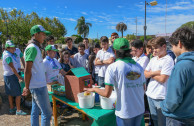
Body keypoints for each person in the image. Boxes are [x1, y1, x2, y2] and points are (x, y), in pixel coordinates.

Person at [85, 38, 145, 126]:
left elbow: (106, 94)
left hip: (125, 112)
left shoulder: (113, 67)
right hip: (140, 109)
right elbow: (143, 88)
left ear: (115, 52)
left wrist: (94, 89)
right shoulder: (139, 66)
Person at [160, 27, 194, 126]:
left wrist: (164, 106)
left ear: (179, 43)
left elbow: (173, 100)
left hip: (179, 118)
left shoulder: (181, 67)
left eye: (172, 46)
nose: (172, 49)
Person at [22, 25, 52, 126]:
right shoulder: (32, 48)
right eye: (43, 34)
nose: (44, 36)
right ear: (36, 34)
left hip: (37, 85)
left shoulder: (35, 47)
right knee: (47, 113)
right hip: (38, 86)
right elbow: (27, 70)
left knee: (35, 111)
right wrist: (26, 87)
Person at [144, 37, 174, 126]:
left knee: (162, 122)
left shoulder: (168, 60)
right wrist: (156, 72)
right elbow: (145, 74)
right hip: (150, 94)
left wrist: (151, 73)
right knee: (154, 120)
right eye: (153, 48)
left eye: (156, 48)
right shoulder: (153, 59)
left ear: (164, 46)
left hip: (161, 96)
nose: (154, 51)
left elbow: (162, 79)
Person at [2, 40, 26, 115]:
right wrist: (19, 77)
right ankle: (18, 110)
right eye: (12, 48)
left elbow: (13, 66)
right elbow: (12, 68)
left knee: (10, 93)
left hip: (9, 75)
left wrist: (20, 69)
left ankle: (12, 108)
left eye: (14, 47)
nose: (14, 49)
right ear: (7, 48)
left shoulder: (9, 53)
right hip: (11, 76)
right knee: (18, 93)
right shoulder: (8, 56)